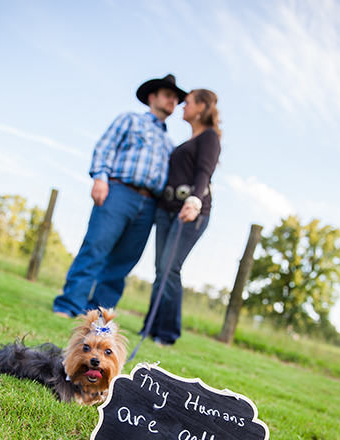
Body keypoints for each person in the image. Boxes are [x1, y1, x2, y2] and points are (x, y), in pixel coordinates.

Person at [53, 74, 187, 317]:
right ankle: (68, 305)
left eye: (176, 99)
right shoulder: (130, 120)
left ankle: (98, 316)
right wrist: (100, 177)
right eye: (168, 95)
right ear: (152, 97)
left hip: (149, 205)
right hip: (118, 192)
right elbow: (105, 147)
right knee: (95, 248)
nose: (173, 101)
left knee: (123, 262)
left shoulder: (170, 143)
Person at [140, 89, 222, 346]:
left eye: (187, 103)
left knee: (170, 269)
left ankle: (167, 334)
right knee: (160, 269)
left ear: (201, 108)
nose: (182, 107)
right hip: (166, 210)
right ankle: (150, 329)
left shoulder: (209, 137)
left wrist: (194, 201)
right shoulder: (189, 139)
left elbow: (204, 173)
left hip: (189, 212)